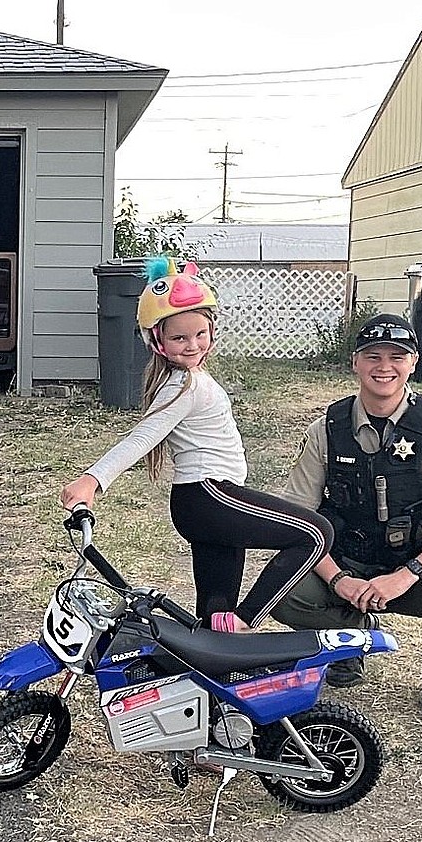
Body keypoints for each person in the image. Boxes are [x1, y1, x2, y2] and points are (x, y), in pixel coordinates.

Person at [60, 256, 332, 632]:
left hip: (205, 503)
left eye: (199, 334)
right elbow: (143, 437)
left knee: (213, 611)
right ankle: (244, 622)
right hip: (209, 497)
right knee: (316, 533)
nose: (192, 345)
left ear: (212, 329)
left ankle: (208, 679)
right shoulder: (183, 384)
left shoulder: (190, 378)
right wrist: (92, 480)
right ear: (158, 341)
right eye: (179, 337)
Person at [272, 313, 422, 722]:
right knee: (283, 588)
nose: (384, 367)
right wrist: (339, 580)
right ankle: (349, 638)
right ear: (355, 362)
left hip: (419, 569)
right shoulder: (327, 429)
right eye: (372, 355)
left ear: (412, 363)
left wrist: (405, 575)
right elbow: (298, 522)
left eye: (397, 356)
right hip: (349, 566)